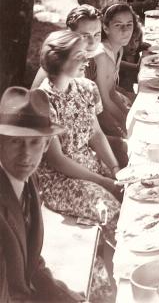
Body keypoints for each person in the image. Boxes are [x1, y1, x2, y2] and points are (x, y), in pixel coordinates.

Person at [0, 87, 85, 302]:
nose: (26, 154)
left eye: (35, 142)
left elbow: (31, 264)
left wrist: (67, 298)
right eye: (16, 141)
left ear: (47, 144)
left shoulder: (28, 180)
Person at [37, 31, 122, 230]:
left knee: (135, 189)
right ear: (57, 60)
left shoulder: (86, 87)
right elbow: (56, 159)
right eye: (79, 56)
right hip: (61, 180)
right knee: (112, 210)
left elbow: (96, 134)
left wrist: (115, 169)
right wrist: (104, 181)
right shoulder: (42, 100)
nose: (87, 59)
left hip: (91, 167)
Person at [32, 5, 103, 89]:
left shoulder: (93, 60)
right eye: (85, 36)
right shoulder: (55, 66)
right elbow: (33, 98)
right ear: (69, 34)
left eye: (97, 35)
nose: (93, 42)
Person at [94, 3, 136, 145]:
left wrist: (128, 117)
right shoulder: (101, 56)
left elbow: (112, 92)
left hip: (107, 109)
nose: (125, 31)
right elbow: (104, 101)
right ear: (106, 28)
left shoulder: (118, 49)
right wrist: (126, 124)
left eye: (129, 24)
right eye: (118, 25)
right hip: (96, 118)